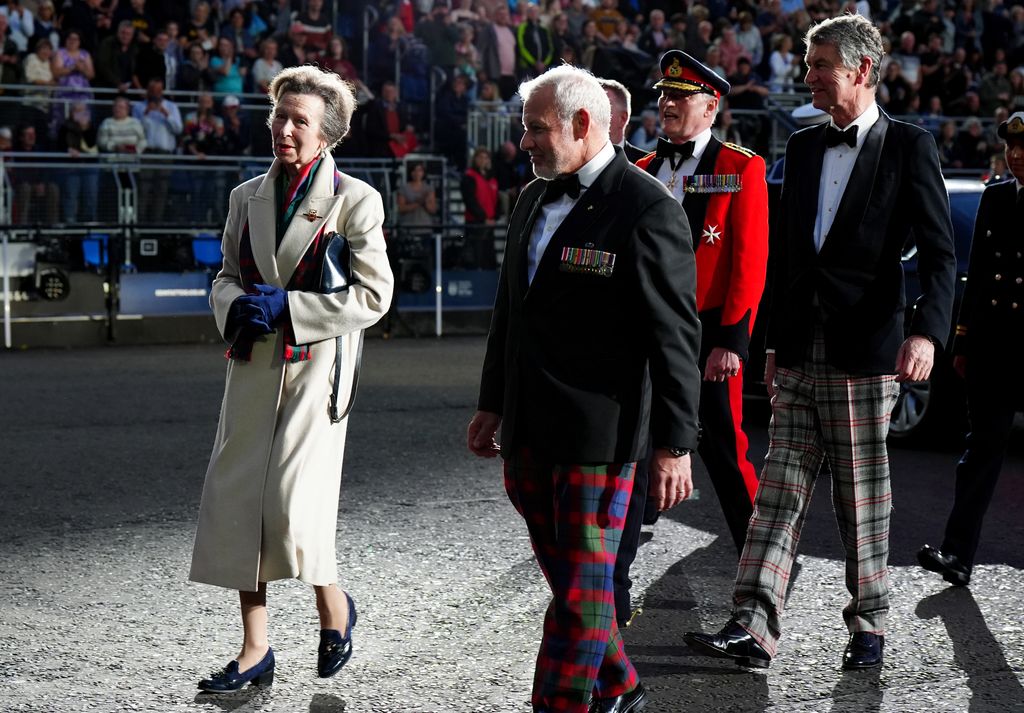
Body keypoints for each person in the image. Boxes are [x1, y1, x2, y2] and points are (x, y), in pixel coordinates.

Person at [684, 14, 957, 672]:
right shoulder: (803, 150)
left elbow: (942, 255)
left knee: (861, 500)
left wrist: (926, 331)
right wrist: (773, 345)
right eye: (806, 64)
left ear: (861, 70)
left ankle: (870, 626)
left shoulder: (910, 147)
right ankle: (752, 624)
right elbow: (785, 261)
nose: (806, 77)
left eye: (818, 64)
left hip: (866, 356)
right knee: (777, 494)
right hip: (799, 353)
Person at [466, 64, 702, 713]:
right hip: (527, 434)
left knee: (578, 595)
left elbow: (676, 337)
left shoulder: (648, 207)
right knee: (581, 581)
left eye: (535, 129)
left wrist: (675, 444)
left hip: (601, 439)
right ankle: (621, 683)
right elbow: (510, 315)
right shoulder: (532, 198)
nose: (525, 142)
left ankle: (561, 702)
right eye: (524, 129)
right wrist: (491, 402)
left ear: (580, 123)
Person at [189, 64, 393, 693]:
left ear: (327, 133)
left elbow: (375, 295)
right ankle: (255, 650)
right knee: (240, 503)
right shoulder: (243, 195)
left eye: (299, 120)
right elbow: (224, 275)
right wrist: (235, 309)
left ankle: (333, 603)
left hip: (317, 372)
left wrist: (294, 308)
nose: (284, 128)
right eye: (279, 116)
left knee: (289, 508)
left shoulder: (356, 199)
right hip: (251, 363)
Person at [625, 50, 768, 618]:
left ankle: (760, 563)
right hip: (647, 332)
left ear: (711, 107)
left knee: (724, 451)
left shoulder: (740, 167)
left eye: (680, 98)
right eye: (663, 96)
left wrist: (732, 341)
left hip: (708, 331)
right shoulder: (641, 168)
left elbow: (749, 261)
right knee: (640, 445)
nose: (667, 105)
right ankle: (620, 568)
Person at [917, 111, 1024, 588]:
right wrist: (963, 341)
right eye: (1011, 148)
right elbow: (978, 273)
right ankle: (958, 555)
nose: (1017, 155)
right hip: (994, 349)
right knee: (979, 454)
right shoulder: (998, 196)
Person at [132, 77, 182, 222]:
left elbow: (178, 129)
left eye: (158, 90)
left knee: (161, 188)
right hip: (146, 152)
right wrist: (146, 114)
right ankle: (140, 222)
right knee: (144, 188)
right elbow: (136, 129)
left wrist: (166, 115)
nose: (155, 93)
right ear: (148, 91)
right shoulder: (138, 107)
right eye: (152, 91)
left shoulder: (172, 107)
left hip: (164, 154)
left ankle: (156, 222)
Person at [460, 147, 499, 269]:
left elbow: (496, 201)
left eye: (486, 157)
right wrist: (483, 218)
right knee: (475, 257)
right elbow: (470, 201)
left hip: (490, 223)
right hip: (475, 223)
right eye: (480, 157)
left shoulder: (492, 178)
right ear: (475, 159)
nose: (483, 160)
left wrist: (495, 218)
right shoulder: (469, 177)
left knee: (489, 257)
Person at [599, 78, 645, 163]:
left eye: (601, 109)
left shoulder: (647, 164)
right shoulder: (573, 160)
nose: (591, 115)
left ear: (623, 118)